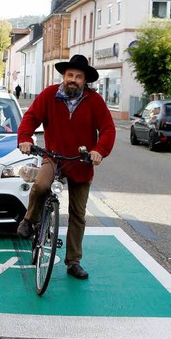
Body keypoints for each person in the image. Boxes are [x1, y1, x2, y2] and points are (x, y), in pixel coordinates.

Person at [16, 54, 116, 280]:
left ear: (85, 81)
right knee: (41, 185)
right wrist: (25, 138)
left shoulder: (94, 101)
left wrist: (99, 150)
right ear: (64, 76)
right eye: (70, 75)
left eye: (78, 77)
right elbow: (31, 118)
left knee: (78, 214)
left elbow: (108, 129)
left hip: (81, 161)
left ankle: (73, 262)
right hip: (54, 157)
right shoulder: (49, 95)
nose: (73, 79)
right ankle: (30, 220)